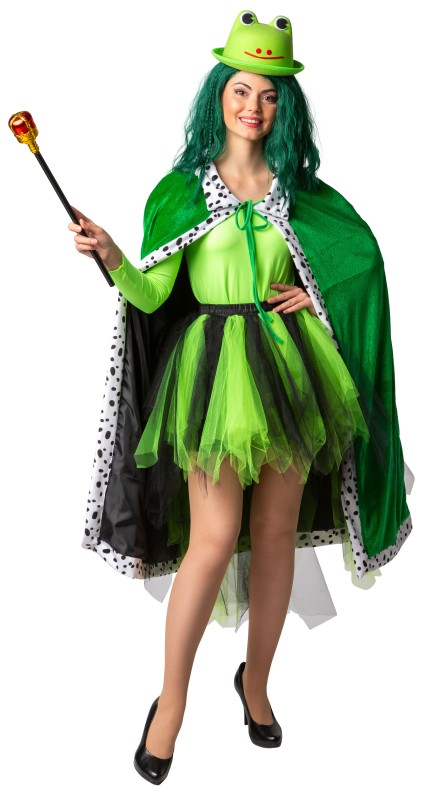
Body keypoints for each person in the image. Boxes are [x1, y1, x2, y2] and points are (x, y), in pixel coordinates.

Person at [68, 11, 412, 786]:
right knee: (214, 538)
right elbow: (153, 293)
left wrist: (316, 298)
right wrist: (114, 254)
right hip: (213, 378)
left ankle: (255, 684)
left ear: (285, 107)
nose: (253, 107)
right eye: (240, 91)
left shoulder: (301, 194)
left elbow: (357, 264)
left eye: (269, 95)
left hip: (290, 370)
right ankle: (170, 705)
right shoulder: (181, 192)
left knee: (276, 532)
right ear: (218, 96)